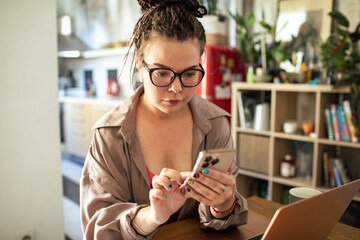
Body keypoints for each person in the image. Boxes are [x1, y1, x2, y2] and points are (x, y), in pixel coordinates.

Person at [80, 0, 248, 239]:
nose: (176, 89)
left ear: (200, 64)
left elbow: (226, 215)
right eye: (161, 73)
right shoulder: (109, 135)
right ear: (140, 65)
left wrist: (223, 205)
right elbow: (98, 227)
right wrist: (152, 216)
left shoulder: (216, 124)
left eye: (189, 74)